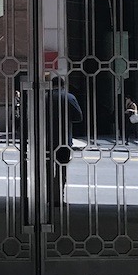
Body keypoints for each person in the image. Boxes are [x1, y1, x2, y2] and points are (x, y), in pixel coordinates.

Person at [43, 73, 82, 211]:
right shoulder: (69, 97)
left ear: (51, 85)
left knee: (47, 169)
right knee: (61, 170)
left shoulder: (45, 98)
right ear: (63, 85)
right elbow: (78, 117)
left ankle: (47, 196)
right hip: (63, 140)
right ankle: (58, 197)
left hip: (46, 140)